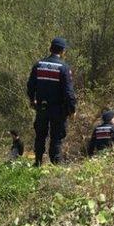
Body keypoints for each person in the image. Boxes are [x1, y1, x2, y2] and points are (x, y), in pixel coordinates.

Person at [26, 36, 77, 166]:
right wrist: (72, 109)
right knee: (56, 137)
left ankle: (37, 162)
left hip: (41, 107)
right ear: (63, 51)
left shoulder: (38, 65)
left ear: (50, 48)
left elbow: (30, 86)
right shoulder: (64, 68)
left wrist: (32, 101)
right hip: (58, 110)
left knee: (40, 135)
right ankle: (56, 165)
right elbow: (68, 92)